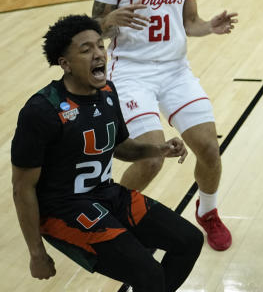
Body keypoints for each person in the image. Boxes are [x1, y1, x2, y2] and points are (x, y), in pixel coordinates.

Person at [91, 0, 238, 251]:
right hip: (131, 74)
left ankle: (207, 211)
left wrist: (210, 26)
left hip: (175, 71)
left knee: (208, 147)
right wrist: (112, 19)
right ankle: (109, 215)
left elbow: (190, 22)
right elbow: (94, 30)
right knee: (152, 159)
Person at [11, 15, 204, 290]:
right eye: (86, 49)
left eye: (100, 46)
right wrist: (36, 253)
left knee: (189, 241)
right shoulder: (41, 110)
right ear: (65, 64)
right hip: (62, 210)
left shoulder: (108, 92)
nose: (98, 54)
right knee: (149, 275)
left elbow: (120, 147)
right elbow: (22, 188)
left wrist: (157, 149)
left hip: (106, 194)